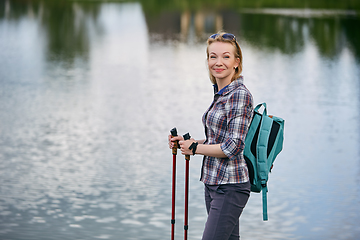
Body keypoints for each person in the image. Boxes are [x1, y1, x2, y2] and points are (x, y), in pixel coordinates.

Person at [168, 31, 253, 240]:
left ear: (236, 62)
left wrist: (195, 150)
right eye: (213, 56)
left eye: (226, 56)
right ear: (207, 60)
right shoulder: (220, 94)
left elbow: (233, 146)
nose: (218, 62)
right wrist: (190, 142)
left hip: (230, 186)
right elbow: (219, 139)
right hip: (213, 183)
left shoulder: (239, 94)